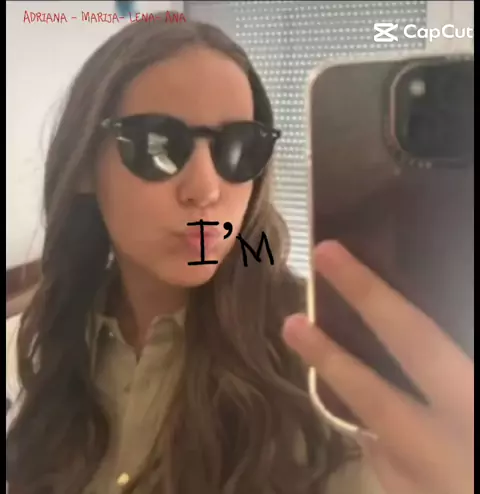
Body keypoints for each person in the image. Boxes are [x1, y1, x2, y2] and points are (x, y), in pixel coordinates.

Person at [6, 16, 473, 494]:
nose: (206, 189)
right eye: (159, 145)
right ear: (85, 164)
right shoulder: (40, 342)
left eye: (239, 148)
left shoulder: (321, 357)